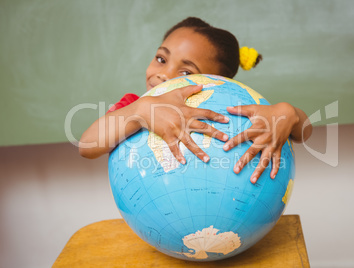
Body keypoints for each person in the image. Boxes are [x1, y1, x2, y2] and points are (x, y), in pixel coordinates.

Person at [79, 17, 312, 184]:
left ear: (218, 83)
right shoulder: (134, 104)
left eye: (185, 74)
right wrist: (140, 110)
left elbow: (303, 132)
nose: (164, 74)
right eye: (161, 59)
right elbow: (87, 146)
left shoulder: (230, 115)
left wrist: (287, 113)